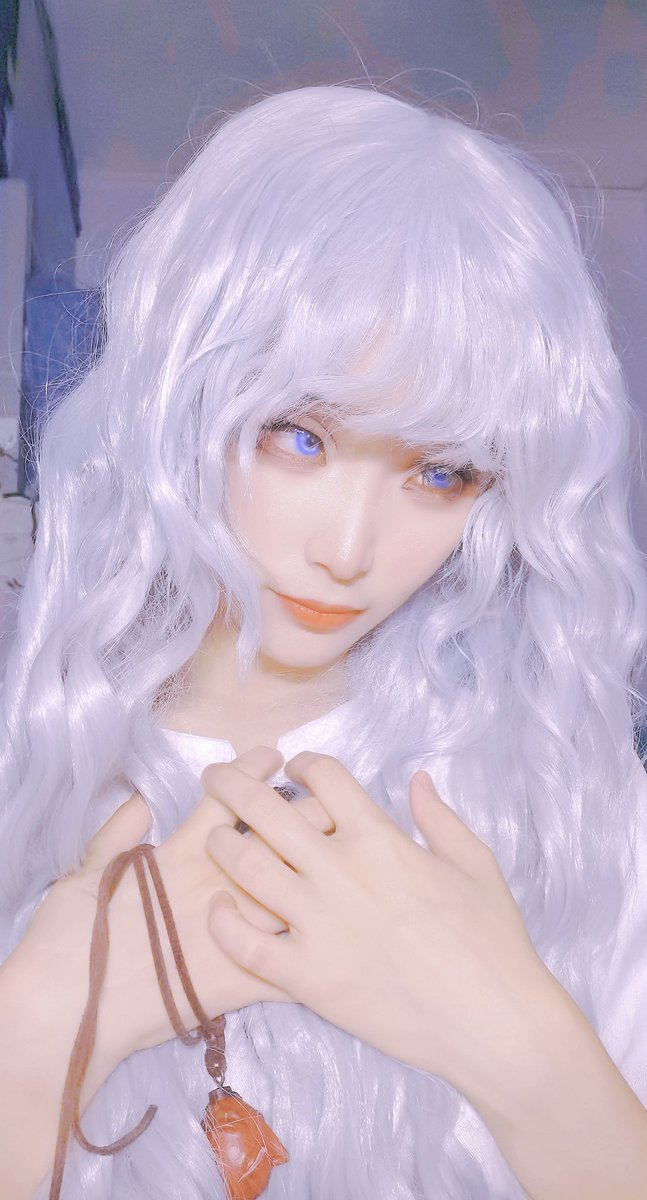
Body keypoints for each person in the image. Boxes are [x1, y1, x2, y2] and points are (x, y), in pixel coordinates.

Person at [0, 82, 647, 1200]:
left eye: (440, 472)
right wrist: (41, 1034)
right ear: (181, 396)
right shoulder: (31, 760)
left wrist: (518, 1045)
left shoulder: (568, 802)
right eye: (297, 436)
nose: (348, 550)